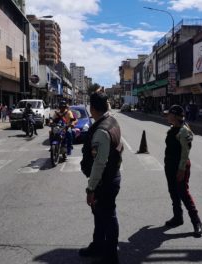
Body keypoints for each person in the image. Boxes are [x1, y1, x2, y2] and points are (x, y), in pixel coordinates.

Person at [79, 92, 123, 264]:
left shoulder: (102, 131)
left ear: (92, 108)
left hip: (104, 181)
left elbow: (99, 164)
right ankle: (98, 246)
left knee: (108, 216)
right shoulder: (111, 121)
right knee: (100, 214)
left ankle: (111, 256)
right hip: (111, 176)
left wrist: (91, 189)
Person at [163, 105, 202, 237]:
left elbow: (185, 153)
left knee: (183, 193)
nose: (166, 116)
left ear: (174, 116)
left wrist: (181, 170)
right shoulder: (173, 128)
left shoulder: (183, 131)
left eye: (168, 114)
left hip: (180, 166)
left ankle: (197, 222)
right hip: (169, 165)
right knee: (173, 192)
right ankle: (177, 217)